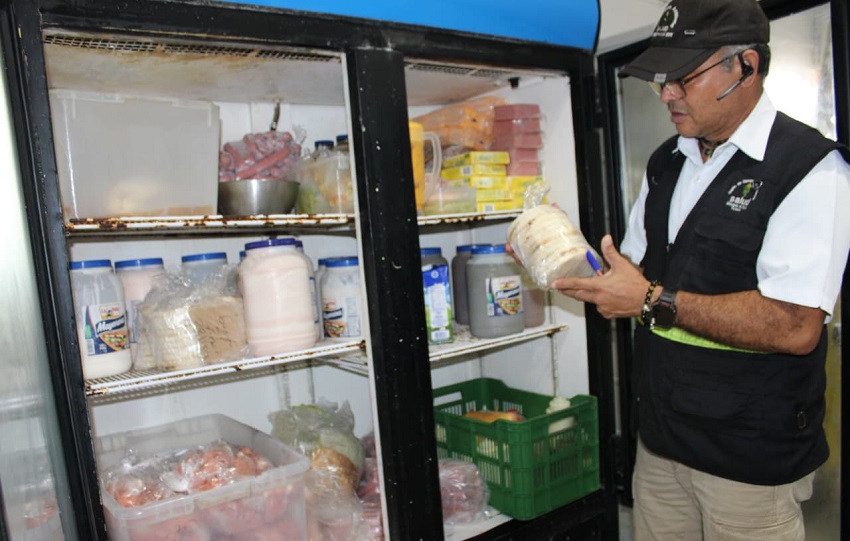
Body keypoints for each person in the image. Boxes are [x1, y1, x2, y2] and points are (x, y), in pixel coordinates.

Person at [547, 0, 850, 539]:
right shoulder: (668, 161)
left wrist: (648, 301)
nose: (667, 94)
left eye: (684, 76)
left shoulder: (809, 167)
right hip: (661, 445)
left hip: (748, 462)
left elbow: (795, 325)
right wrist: (555, 248)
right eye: (661, 79)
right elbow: (637, 273)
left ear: (747, 67)